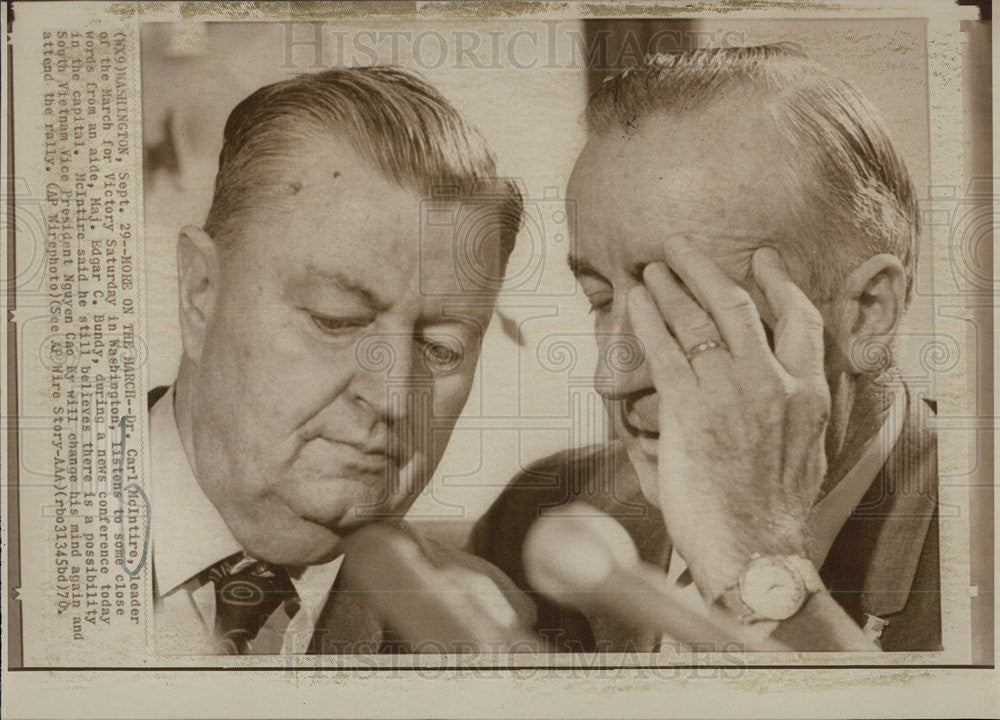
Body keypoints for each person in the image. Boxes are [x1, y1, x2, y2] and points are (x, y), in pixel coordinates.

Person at [472, 44, 940, 652]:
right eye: (600, 298)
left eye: (679, 302)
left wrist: (753, 553)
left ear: (868, 313)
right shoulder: (536, 513)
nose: (611, 377)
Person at [149, 66, 536, 655]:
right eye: (335, 320)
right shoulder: (28, 527)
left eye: (440, 348)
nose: (392, 397)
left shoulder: (486, 632)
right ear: (200, 291)